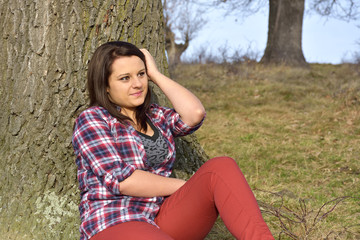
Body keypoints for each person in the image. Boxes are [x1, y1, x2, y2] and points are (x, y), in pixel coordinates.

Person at [72, 41, 274, 240]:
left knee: (220, 168)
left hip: (160, 216)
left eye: (141, 74)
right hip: (116, 220)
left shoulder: (155, 115)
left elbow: (194, 114)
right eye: (125, 78)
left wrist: (156, 75)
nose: (137, 84)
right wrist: (184, 186)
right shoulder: (93, 119)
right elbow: (123, 180)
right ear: (105, 86)